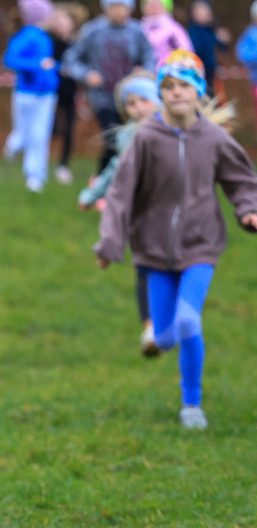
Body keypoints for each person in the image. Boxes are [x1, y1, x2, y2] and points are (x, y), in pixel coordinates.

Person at [94, 49, 257, 430]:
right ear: (160, 93)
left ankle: (191, 404)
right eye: (167, 86)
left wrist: (248, 210)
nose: (176, 93)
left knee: (188, 320)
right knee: (165, 335)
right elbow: (120, 193)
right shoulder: (146, 138)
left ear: (199, 91)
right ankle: (161, 339)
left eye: (184, 86)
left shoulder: (214, 138)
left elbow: (241, 181)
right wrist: (110, 244)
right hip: (153, 251)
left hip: (201, 245)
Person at [78, 73, 161, 355]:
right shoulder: (126, 136)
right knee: (144, 268)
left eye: (143, 100)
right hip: (139, 213)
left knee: (171, 266)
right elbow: (114, 168)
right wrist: (92, 194)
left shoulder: (173, 132)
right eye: (131, 103)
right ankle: (150, 328)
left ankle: (172, 317)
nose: (137, 107)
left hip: (172, 210)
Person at [63, 0, 154, 173]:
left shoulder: (136, 31)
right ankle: (102, 183)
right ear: (107, 8)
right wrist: (87, 74)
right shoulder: (93, 30)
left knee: (127, 140)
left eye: (124, 7)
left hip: (130, 99)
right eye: (115, 7)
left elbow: (150, 56)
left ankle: (111, 182)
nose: (120, 11)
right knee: (113, 139)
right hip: (102, 98)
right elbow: (71, 58)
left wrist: (144, 73)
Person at [2, 0, 59, 193]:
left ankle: (35, 176)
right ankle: (13, 145)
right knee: (25, 134)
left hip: (47, 95)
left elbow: (48, 64)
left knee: (39, 136)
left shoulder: (45, 37)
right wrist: (37, 64)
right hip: (26, 94)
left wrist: (56, 71)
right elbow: (11, 59)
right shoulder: (26, 36)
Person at [49, 3, 85, 185]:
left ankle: (63, 165)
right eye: (57, 21)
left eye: (64, 21)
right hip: (50, 93)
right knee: (52, 128)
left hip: (70, 93)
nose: (60, 24)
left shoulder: (78, 43)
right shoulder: (49, 42)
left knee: (69, 129)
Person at [186, 0, 229, 99]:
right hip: (198, 73)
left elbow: (223, 51)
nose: (203, 13)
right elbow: (197, 48)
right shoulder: (192, 30)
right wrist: (216, 38)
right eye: (199, 10)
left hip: (212, 74)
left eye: (205, 10)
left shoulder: (211, 29)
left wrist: (223, 41)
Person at [141, 0, 193, 66]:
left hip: (167, 69)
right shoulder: (140, 26)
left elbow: (186, 50)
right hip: (145, 70)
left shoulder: (173, 28)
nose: (151, 8)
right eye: (148, 4)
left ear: (165, 7)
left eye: (155, 4)